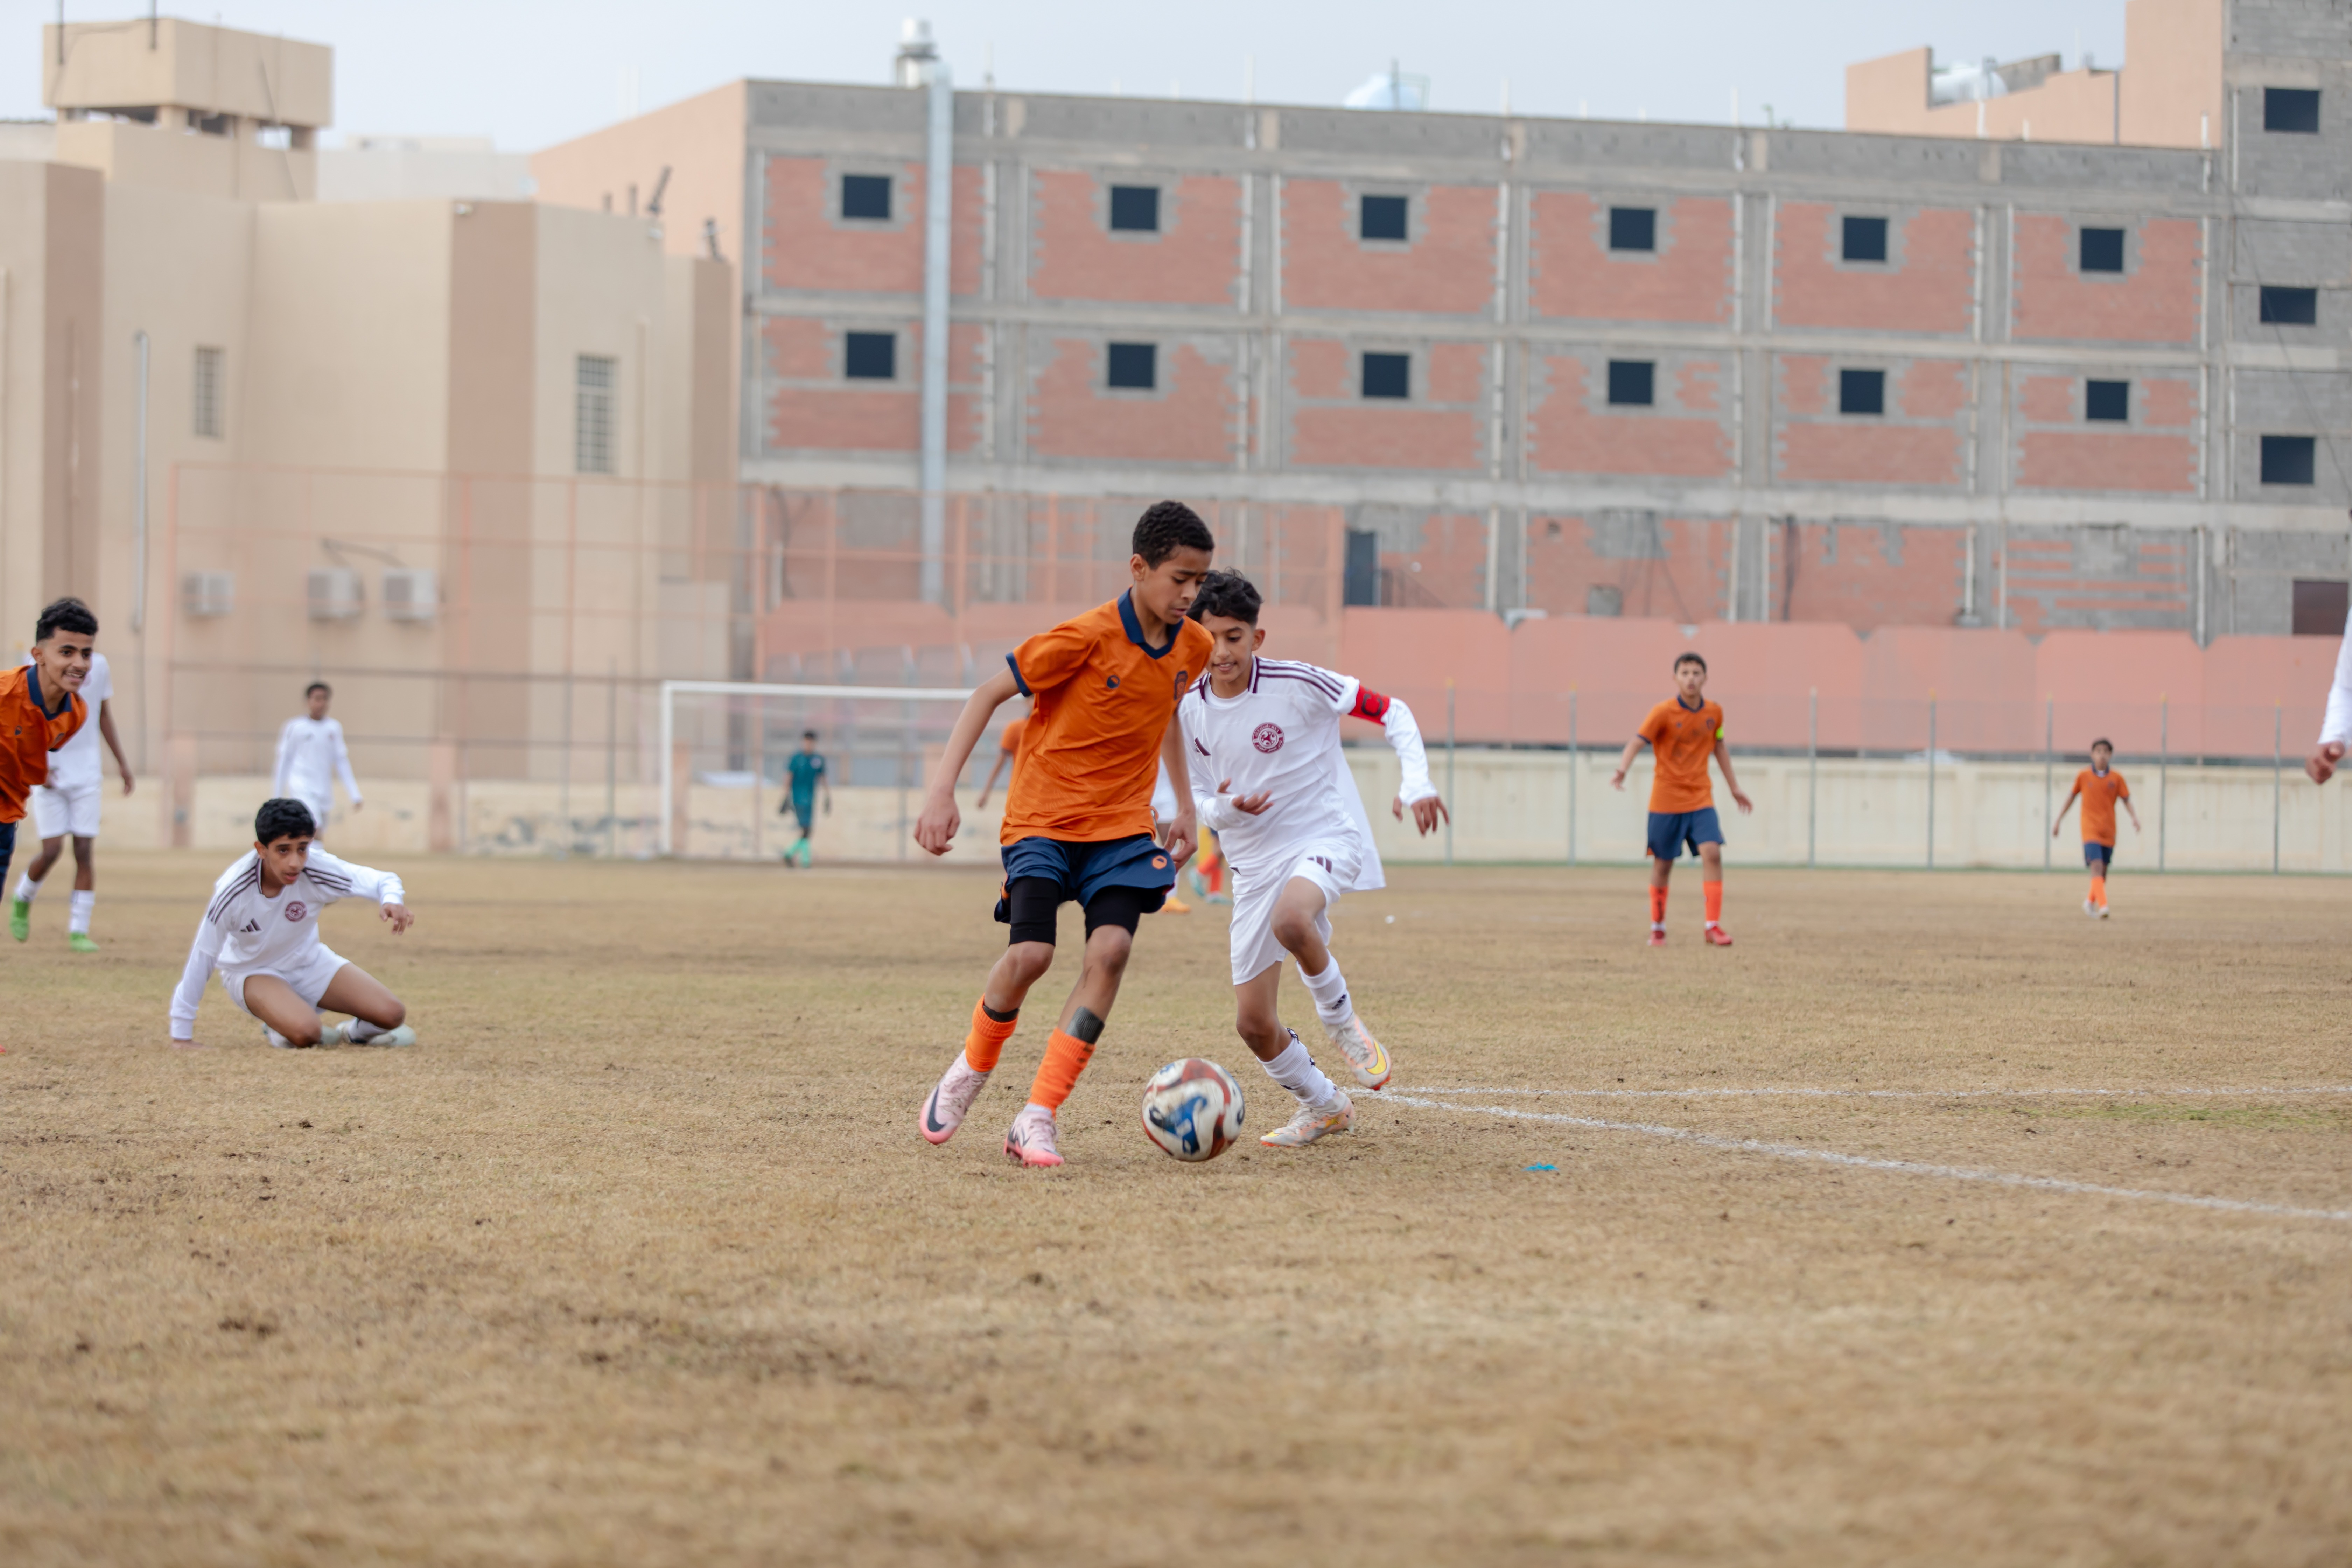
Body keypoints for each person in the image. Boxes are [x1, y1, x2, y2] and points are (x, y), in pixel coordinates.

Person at [911, 500, 1216, 1168]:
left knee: (1109, 953)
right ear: (1139, 569)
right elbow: (984, 696)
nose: (1191, 594)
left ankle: (1038, 1115)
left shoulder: (1194, 645)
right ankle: (970, 1067)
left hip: (1122, 829)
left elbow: (1168, 710)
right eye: (1179, 579)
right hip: (1043, 820)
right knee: (1032, 958)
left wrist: (1185, 806)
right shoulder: (1082, 637)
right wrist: (942, 792)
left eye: (1200, 580)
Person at [1179, 570, 1447, 1148]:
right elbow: (1197, 799)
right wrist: (1227, 808)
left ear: (1259, 637)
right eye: (1210, 638)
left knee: (1292, 919)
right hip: (1251, 866)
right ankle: (1324, 1105)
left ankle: (1341, 1022)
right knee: (1253, 1024)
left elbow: (1392, 711)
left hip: (1323, 835)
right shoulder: (1185, 710)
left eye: (1235, 637)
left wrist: (1418, 782)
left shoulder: (1299, 682)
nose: (1222, 652)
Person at [169, 798, 416, 1049]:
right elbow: (204, 955)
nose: (295, 862)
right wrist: (182, 1034)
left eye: (303, 848)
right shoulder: (233, 891)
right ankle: (279, 1028)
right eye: (283, 850)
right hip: (252, 972)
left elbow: (382, 879)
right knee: (307, 1033)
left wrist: (392, 900)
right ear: (262, 849)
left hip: (309, 962)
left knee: (392, 1014)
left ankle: (354, 1034)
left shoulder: (315, 869)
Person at [1612, 652, 1752, 947]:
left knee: (1712, 853)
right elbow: (1637, 742)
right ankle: (1658, 927)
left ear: (1705, 678)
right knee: (1664, 864)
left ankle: (1712, 927)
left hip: (1701, 797)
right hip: (1666, 801)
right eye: (1685, 673)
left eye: (1696, 673)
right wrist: (1622, 770)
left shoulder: (1715, 713)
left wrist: (1734, 788)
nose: (1691, 678)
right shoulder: (1662, 712)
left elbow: (1720, 748)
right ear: (1676, 678)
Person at [12, 633, 133, 951]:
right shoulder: (34, 663)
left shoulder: (100, 666)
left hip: (87, 773)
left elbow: (103, 715)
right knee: (51, 851)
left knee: (83, 851)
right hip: (50, 772)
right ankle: (23, 898)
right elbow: (26, 718)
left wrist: (122, 763)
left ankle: (79, 930)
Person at [2, 600, 94, 985]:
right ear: (39, 655)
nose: (79, 663)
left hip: (6, 822)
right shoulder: (5, 692)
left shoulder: (76, 713)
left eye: (87, 653)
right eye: (67, 652)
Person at [2053, 738, 2139, 918]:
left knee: (2104, 872)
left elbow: (2127, 800)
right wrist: (2058, 820)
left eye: (2106, 752)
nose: (2102, 755)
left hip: (2109, 830)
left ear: (2110, 755)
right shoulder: (2083, 776)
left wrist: (2135, 818)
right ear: (2092, 754)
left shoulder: (2117, 778)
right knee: (2097, 867)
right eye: (2098, 751)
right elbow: (2071, 797)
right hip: (2090, 830)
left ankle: (2088, 902)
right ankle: (2104, 906)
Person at [274, 682, 363, 838]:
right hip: (302, 786)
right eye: (317, 699)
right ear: (308, 701)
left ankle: (311, 861)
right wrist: (277, 795)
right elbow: (284, 761)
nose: (321, 703)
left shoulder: (334, 728)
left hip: (323, 787)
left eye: (325, 699)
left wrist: (354, 794)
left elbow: (341, 761)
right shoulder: (295, 727)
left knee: (318, 834)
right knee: (314, 826)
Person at [780, 730, 831, 867]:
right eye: (807, 742)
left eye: (811, 742)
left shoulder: (818, 760)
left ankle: (798, 857)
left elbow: (822, 778)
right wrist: (786, 797)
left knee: (808, 830)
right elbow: (789, 777)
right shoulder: (796, 758)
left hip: (810, 798)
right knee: (806, 830)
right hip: (798, 798)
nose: (809, 745)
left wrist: (828, 796)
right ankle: (799, 857)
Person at [972, 702, 1029, 810]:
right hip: (1021, 793)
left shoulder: (1054, 728)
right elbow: (1000, 762)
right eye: (1032, 697)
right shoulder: (1016, 728)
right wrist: (986, 792)